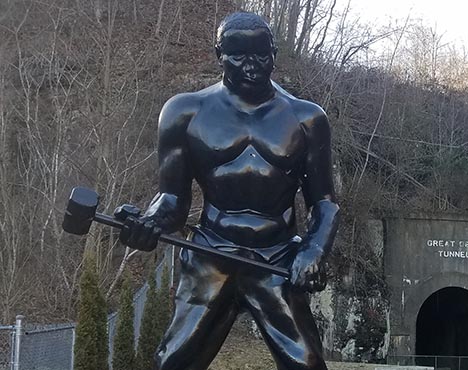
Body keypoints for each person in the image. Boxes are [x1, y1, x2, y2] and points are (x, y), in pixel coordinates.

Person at [119, 12, 338, 370]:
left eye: (260, 54)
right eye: (238, 55)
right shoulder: (184, 112)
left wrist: (314, 249)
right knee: (171, 363)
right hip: (211, 254)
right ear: (219, 53)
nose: (251, 65)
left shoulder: (307, 119)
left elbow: (325, 203)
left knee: (308, 364)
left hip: (276, 258)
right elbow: (172, 201)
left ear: (275, 53)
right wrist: (148, 223)